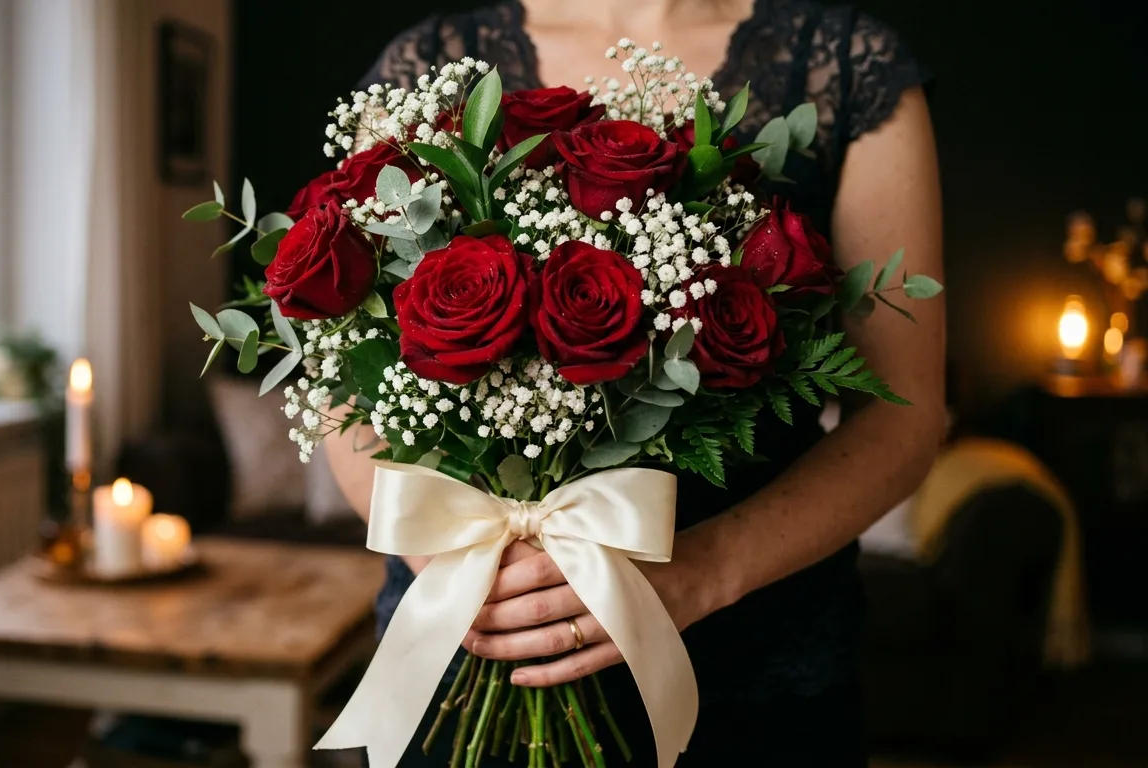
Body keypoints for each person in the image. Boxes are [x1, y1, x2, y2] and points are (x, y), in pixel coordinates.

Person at [325, 0, 945, 764]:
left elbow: (902, 417)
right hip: (467, 651)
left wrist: (697, 575)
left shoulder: (847, 65)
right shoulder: (423, 68)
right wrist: (465, 563)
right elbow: (347, 389)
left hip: (749, 675)